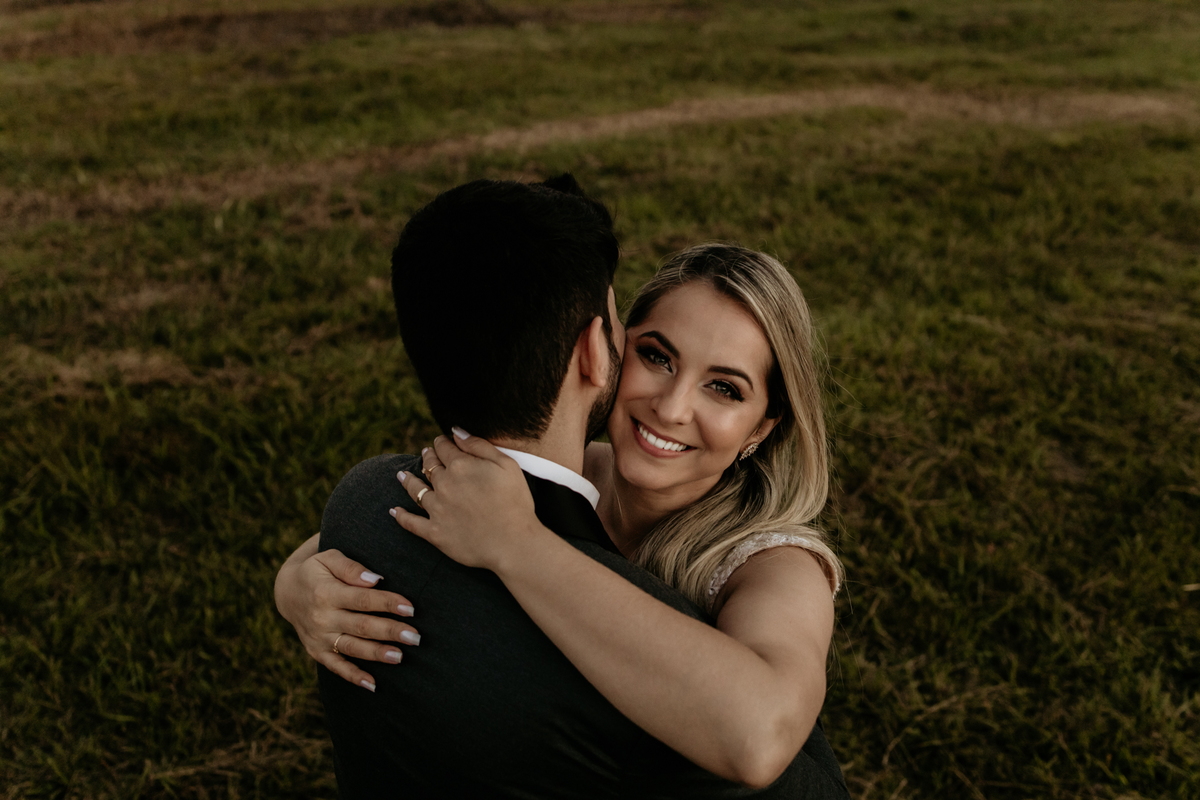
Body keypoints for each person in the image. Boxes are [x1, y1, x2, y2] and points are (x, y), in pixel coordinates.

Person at [277, 176, 849, 798]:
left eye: (724, 388)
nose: (672, 406)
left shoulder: (777, 566)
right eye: (657, 355)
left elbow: (761, 736)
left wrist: (519, 544)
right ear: (607, 351)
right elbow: (394, 519)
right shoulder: (577, 474)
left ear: (760, 430)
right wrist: (294, 586)